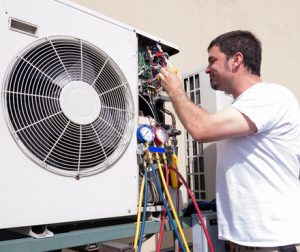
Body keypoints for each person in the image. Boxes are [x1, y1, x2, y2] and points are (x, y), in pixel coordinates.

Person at [157, 30, 300, 252]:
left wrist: (175, 89)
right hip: (245, 239)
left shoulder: (270, 97)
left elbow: (201, 128)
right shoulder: (242, 108)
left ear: (237, 60)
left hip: (268, 241)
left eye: (212, 60)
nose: (207, 69)